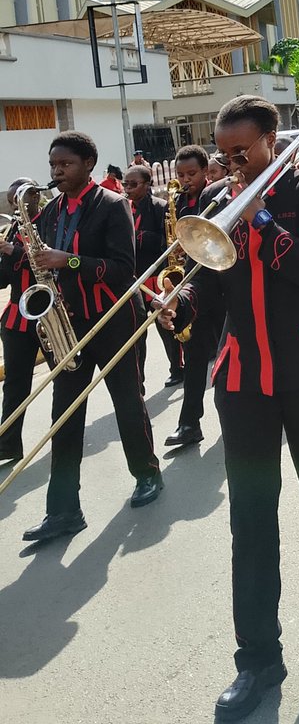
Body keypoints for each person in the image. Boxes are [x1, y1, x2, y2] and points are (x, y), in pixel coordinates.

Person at [161, 96, 299, 721]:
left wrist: (259, 220)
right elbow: (211, 280)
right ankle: (257, 657)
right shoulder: (208, 207)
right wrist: (182, 298)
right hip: (244, 376)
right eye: (223, 153)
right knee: (250, 516)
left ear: (270, 140)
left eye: (242, 152)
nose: (230, 163)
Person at [21, 131, 162, 544]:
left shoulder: (113, 205)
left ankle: (147, 475)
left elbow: (123, 268)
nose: (56, 171)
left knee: (127, 403)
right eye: (52, 165)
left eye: (64, 164)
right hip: (68, 323)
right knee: (63, 417)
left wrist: (72, 260)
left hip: (113, 319)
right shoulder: (49, 214)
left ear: (87, 166)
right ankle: (64, 510)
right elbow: (44, 265)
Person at [167, 144, 224, 449]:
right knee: (195, 359)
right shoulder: (175, 202)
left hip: (225, 287)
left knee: (231, 359)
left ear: (206, 171)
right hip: (195, 288)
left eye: (192, 173)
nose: (186, 179)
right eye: (181, 174)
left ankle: (238, 418)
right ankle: (189, 423)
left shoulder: (216, 197)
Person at [0, 180, 43, 463]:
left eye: (25, 196)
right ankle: (8, 444)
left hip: (47, 314)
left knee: (68, 379)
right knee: (14, 383)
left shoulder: (52, 220)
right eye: (15, 199)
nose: (20, 203)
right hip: (16, 319)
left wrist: (11, 251)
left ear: (36, 196)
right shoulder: (12, 230)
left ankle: (67, 436)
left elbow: (45, 258)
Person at [121, 164, 168, 391]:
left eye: (133, 184)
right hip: (134, 280)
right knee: (137, 334)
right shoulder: (122, 209)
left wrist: (143, 237)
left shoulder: (161, 207)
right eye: (125, 184)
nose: (128, 189)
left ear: (147, 185)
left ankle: (177, 368)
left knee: (165, 329)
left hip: (156, 276)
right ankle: (138, 381)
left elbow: (166, 242)